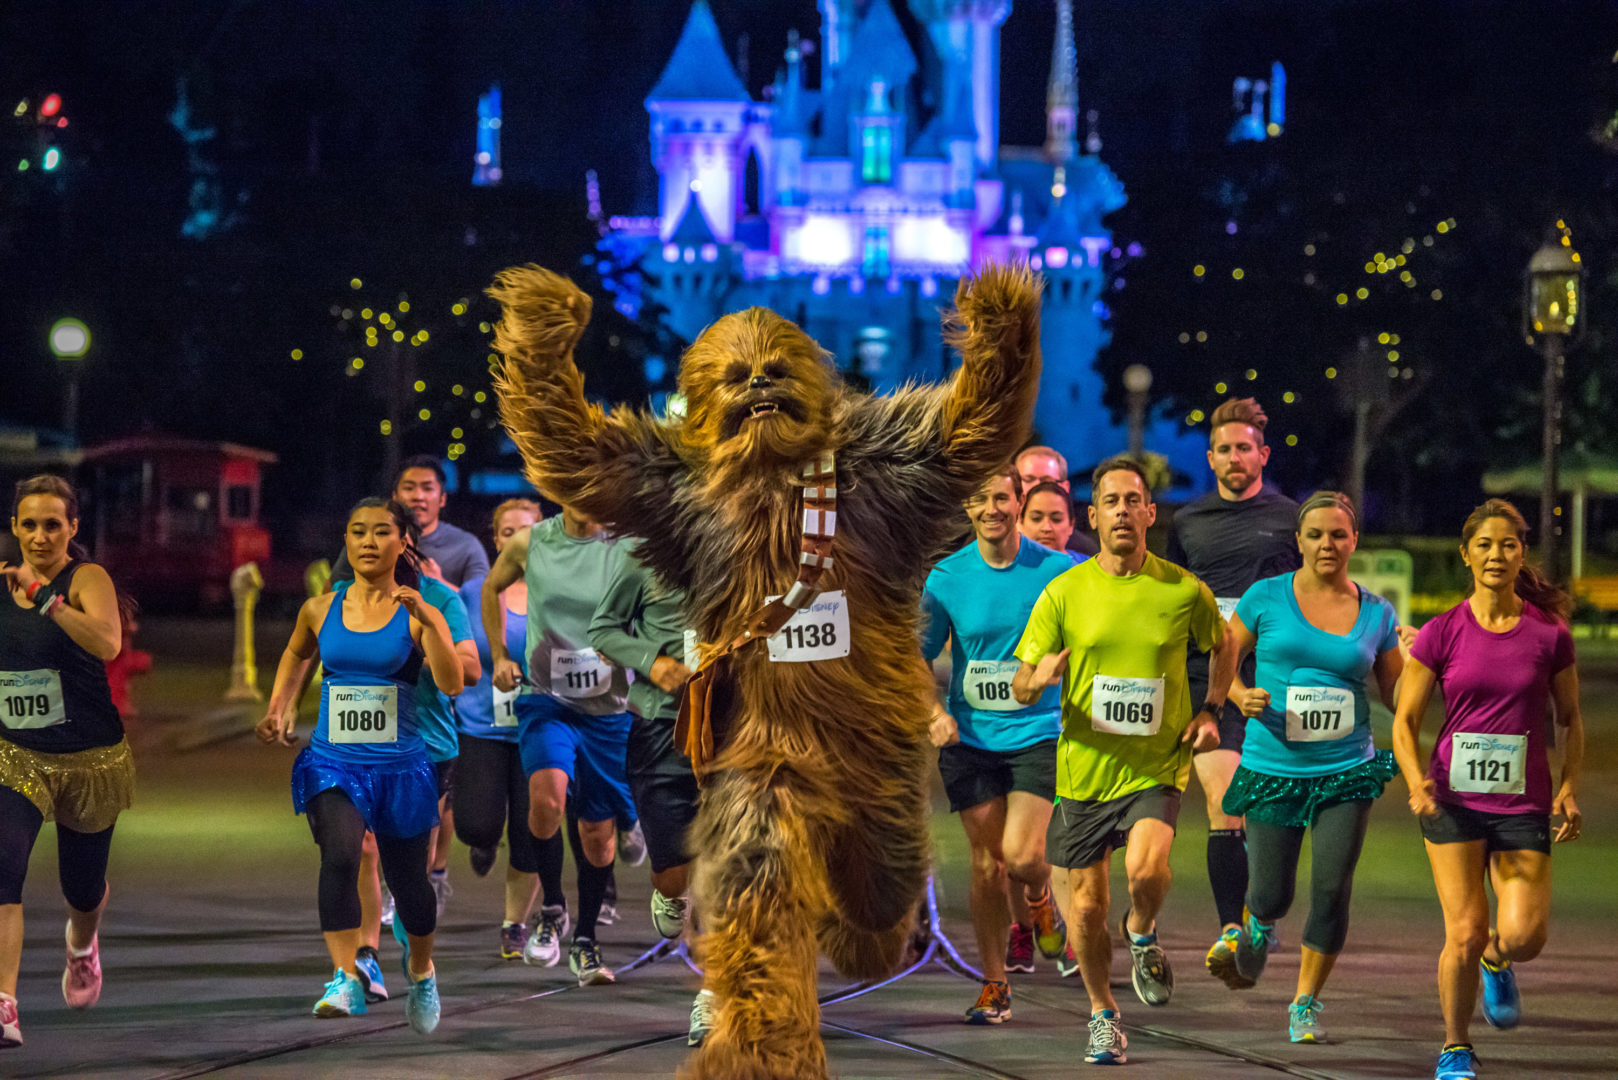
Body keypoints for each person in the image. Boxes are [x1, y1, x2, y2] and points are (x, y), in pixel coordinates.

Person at [1012, 457, 1235, 1066]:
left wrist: (1212, 708)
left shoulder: (1183, 589)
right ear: (1095, 515)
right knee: (1084, 907)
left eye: (1133, 501)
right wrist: (1039, 680)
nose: (1122, 511)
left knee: (1145, 868)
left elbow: (1226, 642)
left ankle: (1141, 931)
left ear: (1149, 513)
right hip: (1084, 770)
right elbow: (1021, 683)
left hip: (1155, 765)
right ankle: (1102, 1013)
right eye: (1110, 502)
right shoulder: (1065, 591)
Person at [257, 498, 464, 1035]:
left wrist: (430, 623)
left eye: (380, 533)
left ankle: (421, 970)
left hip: (400, 767)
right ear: (346, 543)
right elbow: (298, 652)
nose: (368, 542)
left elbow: (452, 682)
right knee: (342, 856)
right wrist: (280, 705)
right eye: (357, 533)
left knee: (410, 887)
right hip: (334, 761)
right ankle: (345, 975)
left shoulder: (420, 610)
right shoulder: (320, 608)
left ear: (403, 543)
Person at [1392, 499, 1583, 1080]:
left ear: (1521, 553)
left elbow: (1569, 719)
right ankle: (1455, 1046)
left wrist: (1569, 787)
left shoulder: (1549, 633)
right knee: (1466, 930)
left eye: (1507, 544)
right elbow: (1404, 722)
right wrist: (1415, 781)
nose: (1495, 554)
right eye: (1484, 545)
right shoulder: (1441, 632)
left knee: (1522, 935)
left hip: (1523, 802)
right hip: (1451, 798)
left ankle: (1500, 961)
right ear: (1465, 554)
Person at [1219, 492, 1404, 1043]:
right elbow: (1222, 655)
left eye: (1339, 535)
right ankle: (1256, 922)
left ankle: (1305, 1002)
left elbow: (1400, 691)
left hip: (1347, 769)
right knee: (1273, 893)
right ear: (1298, 541)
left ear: (1354, 541)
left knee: (1330, 889)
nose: (1328, 544)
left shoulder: (1377, 613)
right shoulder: (1264, 597)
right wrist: (1238, 693)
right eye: (1316, 534)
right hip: (1274, 765)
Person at [921, 470, 1078, 1025]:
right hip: (970, 740)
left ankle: (1039, 898)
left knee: (1022, 856)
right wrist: (934, 713)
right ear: (966, 507)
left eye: (1001, 498)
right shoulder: (946, 577)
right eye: (979, 499)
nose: (991, 508)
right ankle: (994, 985)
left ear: (1019, 502)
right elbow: (914, 658)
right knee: (987, 867)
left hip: (1038, 734)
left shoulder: (1060, 571)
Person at [1164, 397, 1301, 985]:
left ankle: (1260, 918)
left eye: (1245, 447)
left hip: (1274, 688)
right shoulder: (1188, 523)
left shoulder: (1292, 517)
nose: (1235, 457)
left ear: (1262, 454)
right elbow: (1170, 606)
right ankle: (1232, 930)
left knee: (1263, 811)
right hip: (1207, 687)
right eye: (1224, 449)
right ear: (1211, 457)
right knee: (1224, 804)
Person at [0, 476, 137, 1049]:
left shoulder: (85, 579)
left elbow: (108, 643)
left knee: (81, 888)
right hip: (15, 756)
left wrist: (46, 600)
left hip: (88, 758)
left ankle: (82, 944)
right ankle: (4, 1004)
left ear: (72, 528)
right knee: (3, 872)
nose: (39, 535)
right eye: (28, 524)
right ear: (13, 527)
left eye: (52, 524)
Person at [484, 502, 636, 986]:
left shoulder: (626, 545)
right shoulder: (532, 541)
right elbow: (491, 589)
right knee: (546, 800)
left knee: (597, 833)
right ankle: (552, 907)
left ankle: (586, 940)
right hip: (545, 699)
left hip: (608, 709)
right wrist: (501, 656)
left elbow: (659, 608)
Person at [587, 540, 712, 1044]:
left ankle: (713, 997)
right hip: (662, 726)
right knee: (675, 870)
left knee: (722, 871)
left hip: (735, 725)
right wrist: (652, 661)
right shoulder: (642, 554)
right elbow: (602, 630)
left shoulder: (752, 542)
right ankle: (668, 891)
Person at [454, 499, 547, 960]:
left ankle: (515, 923)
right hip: (481, 726)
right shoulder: (473, 593)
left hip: (541, 726)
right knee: (476, 823)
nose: (517, 540)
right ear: (495, 540)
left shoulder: (558, 591)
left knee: (532, 831)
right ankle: (485, 841)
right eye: (507, 532)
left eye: (526, 530)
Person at [330, 456, 490, 588]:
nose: (418, 496)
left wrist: (438, 583)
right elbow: (333, 591)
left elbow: (484, 606)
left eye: (427, 488)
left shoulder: (466, 546)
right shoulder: (368, 542)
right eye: (409, 488)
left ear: (442, 498)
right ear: (394, 497)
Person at [1016, 445, 1099, 556]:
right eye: (1028, 479)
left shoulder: (1083, 550)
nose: (1036, 487)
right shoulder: (996, 540)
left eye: (1047, 481)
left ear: (1065, 487)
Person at [1019, 480, 1084, 563]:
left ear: (1071, 525)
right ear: (1021, 522)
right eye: (1036, 518)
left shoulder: (1089, 569)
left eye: (1056, 519)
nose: (1047, 528)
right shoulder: (1005, 566)